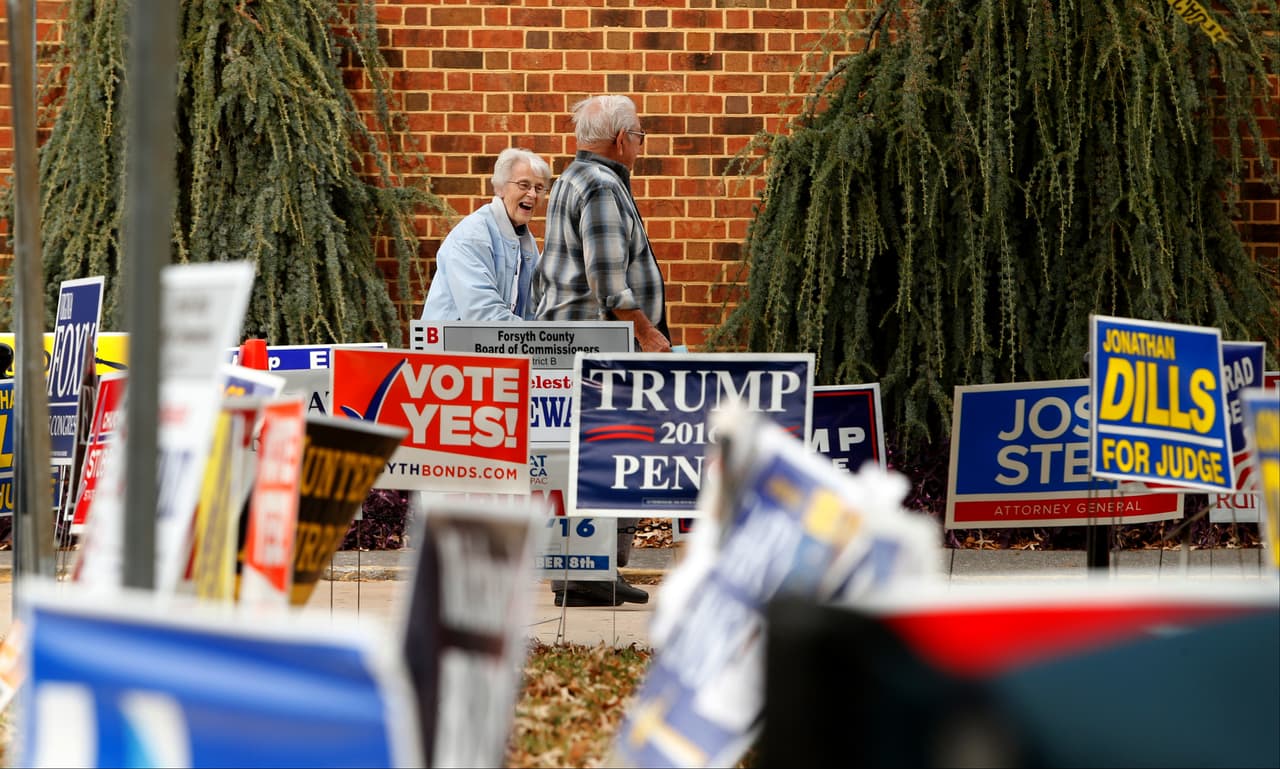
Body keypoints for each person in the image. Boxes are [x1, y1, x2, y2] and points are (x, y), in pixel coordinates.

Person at [535, 94, 671, 607]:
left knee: (585, 456)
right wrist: (647, 332)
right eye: (639, 136)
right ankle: (590, 576)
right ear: (621, 139)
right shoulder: (598, 184)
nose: (640, 145)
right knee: (612, 450)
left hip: (577, 342)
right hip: (599, 345)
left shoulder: (575, 177)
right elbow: (608, 281)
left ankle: (590, 572)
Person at [420, 147, 551, 321]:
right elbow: (482, 314)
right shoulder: (472, 236)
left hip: (493, 345)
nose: (533, 194)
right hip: (449, 346)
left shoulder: (526, 243)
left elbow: (531, 310)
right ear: (500, 188)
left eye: (539, 188)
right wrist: (535, 339)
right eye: (524, 185)